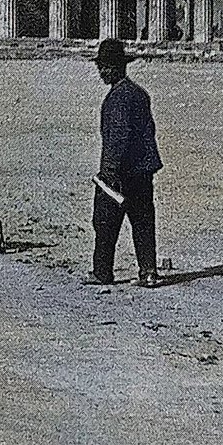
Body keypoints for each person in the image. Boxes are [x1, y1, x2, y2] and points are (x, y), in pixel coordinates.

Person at [86, 39, 164, 288]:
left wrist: (108, 171)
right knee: (142, 222)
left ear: (118, 67)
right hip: (143, 170)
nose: (101, 72)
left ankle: (102, 273)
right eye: (100, 67)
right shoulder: (139, 93)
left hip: (119, 174)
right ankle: (149, 272)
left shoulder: (117, 99)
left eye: (105, 67)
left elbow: (118, 138)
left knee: (105, 222)